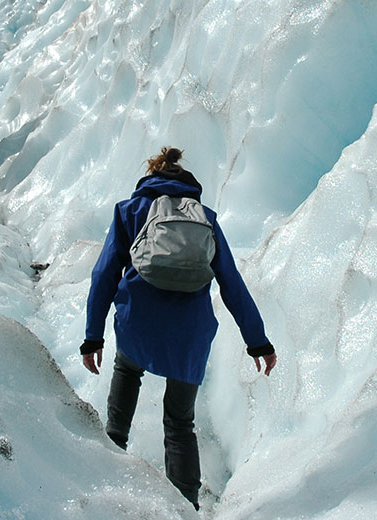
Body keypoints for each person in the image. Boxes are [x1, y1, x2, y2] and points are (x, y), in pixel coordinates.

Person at [82, 147, 277, 510]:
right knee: (179, 421)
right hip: (189, 334)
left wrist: (93, 336)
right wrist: (258, 342)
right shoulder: (205, 218)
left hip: (138, 322)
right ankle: (186, 506)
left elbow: (104, 274)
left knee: (128, 371)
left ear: (151, 175)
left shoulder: (129, 211)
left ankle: (112, 460)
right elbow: (231, 282)